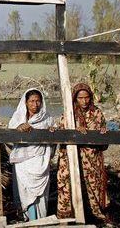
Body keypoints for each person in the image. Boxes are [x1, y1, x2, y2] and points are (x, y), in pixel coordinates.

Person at [57, 83, 110, 223]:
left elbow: (105, 143)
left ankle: (94, 217)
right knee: (70, 185)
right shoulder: (69, 114)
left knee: (93, 187)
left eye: (87, 98)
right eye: (80, 98)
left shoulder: (97, 113)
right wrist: (75, 131)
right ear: (75, 98)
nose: (84, 101)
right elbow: (61, 135)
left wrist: (102, 135)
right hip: (72, 160)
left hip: (92, 160)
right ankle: (71, 218)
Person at [8, 88, 56, 221]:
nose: (35, 105)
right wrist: (19, 128)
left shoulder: (48, 118)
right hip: (23, 162)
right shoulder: (18, 117)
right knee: (24, 191)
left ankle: (40, 220)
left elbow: (55, 137)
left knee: (41, 195)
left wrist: (52, 132)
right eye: (32, 101)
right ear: (26, 102)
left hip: (41, 160)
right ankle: (26, 219)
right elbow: (10, 135)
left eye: (38, 101)